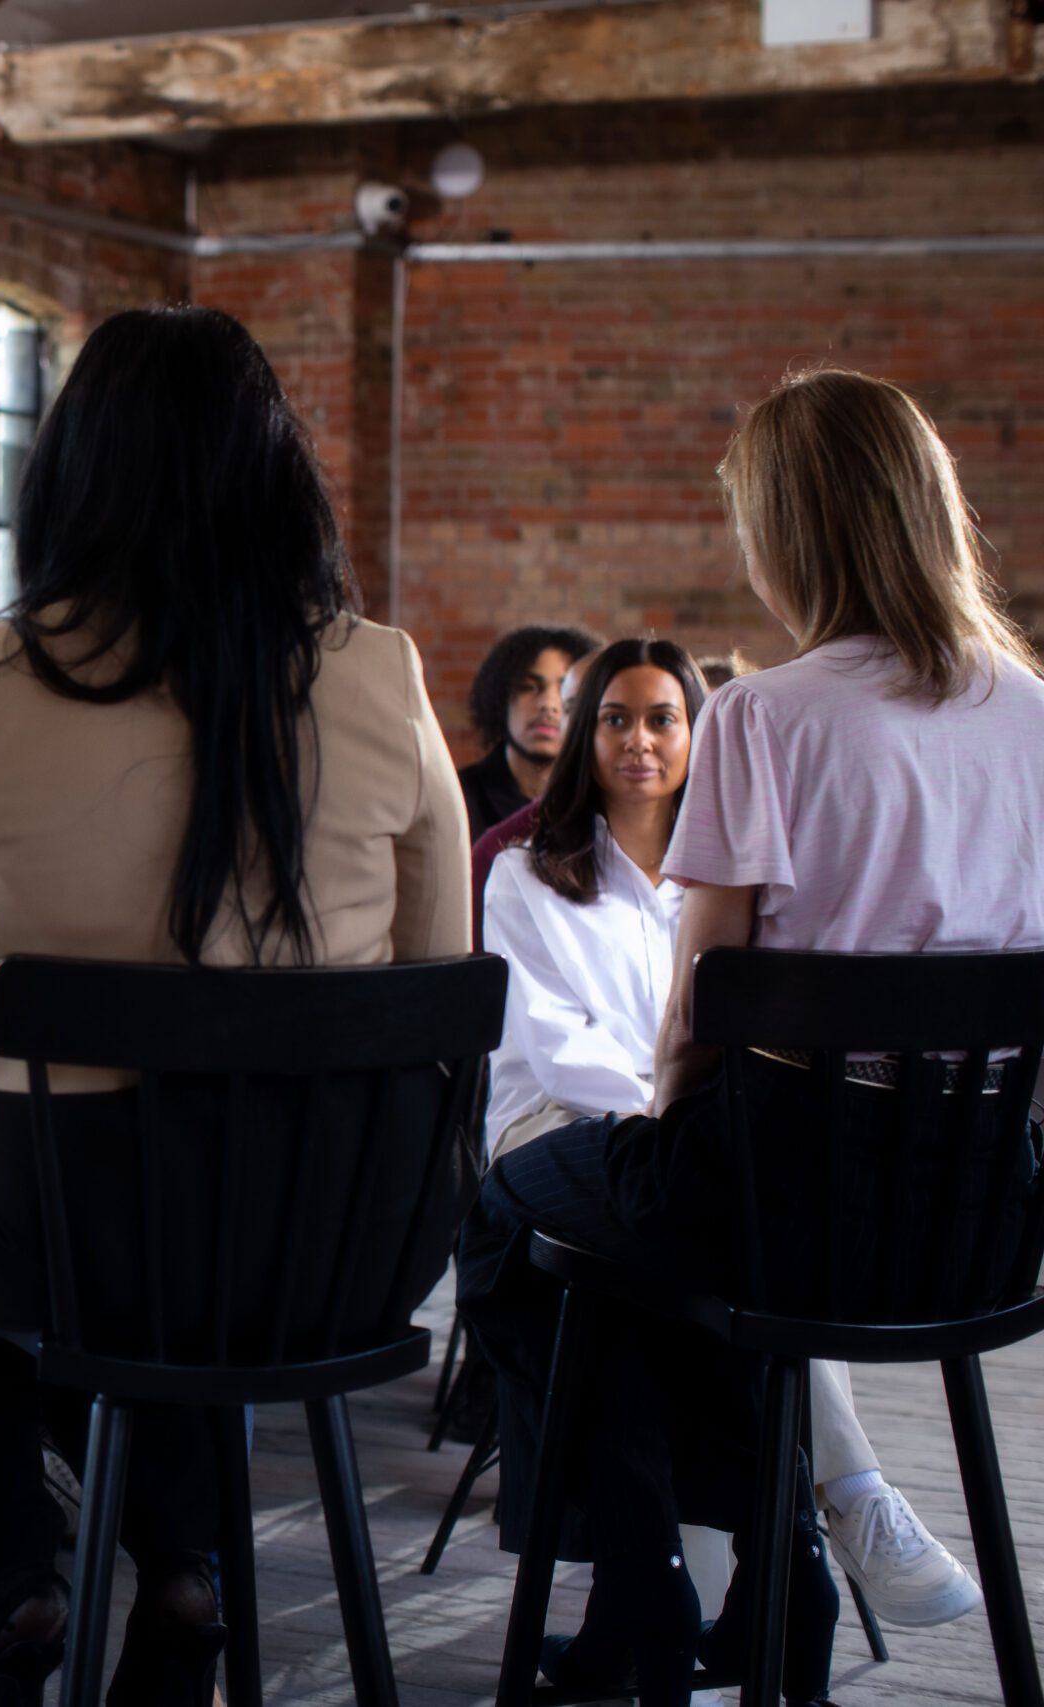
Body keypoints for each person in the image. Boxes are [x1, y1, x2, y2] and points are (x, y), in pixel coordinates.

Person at [0, 306, 470, 1707]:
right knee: (184, 1251)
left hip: (68, 1220)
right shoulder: (384, 668)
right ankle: (186, 1562)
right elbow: (438, 982)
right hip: (336, 1237)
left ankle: (23, 1559)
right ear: (277, 467)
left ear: (71, 471)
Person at [459, 367, 1044, 1705]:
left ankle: (664, 1591)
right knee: (635, 1264)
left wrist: (662, 1127)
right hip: (984, 1217)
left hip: (781, 1196)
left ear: (790, 529)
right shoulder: (1034, 715)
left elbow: (700, 1003)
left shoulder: (770, 713)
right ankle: (769, 1587)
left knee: (515, 1221)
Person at [481, 636, 979, 1631]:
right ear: (586, 738)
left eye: (663, 718)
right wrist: (670, 1118)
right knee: (710, 1205)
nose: (638, 740)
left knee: (721, 1226)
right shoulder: (527, 874)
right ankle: (843, 1498)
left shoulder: (726, 881)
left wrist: (684, 1126)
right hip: (551, 1124)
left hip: (674, 1133)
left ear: (696, 737)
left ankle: (707, 1585)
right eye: (615, 718)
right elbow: (555, 1042)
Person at [459, 623, 599, 838]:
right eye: (529, 687)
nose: (548, 704)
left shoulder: (602, 804)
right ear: (499, 698)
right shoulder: (458, 797)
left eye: (566, 690)